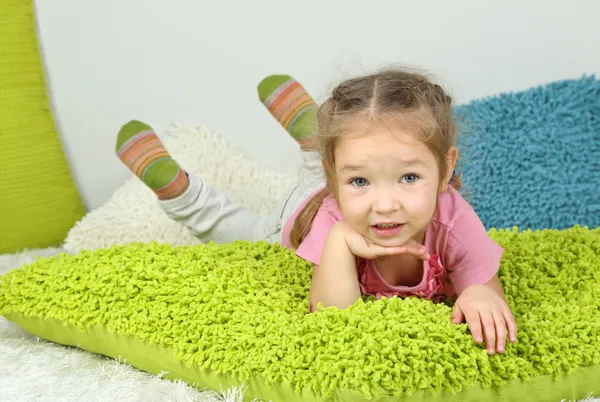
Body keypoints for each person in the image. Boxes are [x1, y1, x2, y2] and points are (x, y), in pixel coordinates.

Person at [114, 67, 517, 355]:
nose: (385, 204)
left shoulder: (453, 219)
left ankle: (317, 136)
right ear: (337, 180)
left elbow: (485, 288)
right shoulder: (332, 221)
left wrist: (480, 293)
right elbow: (331, 318)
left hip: (332, 186)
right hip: (294, 220)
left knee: (352, 160)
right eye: (361, 181)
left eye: (409, 178)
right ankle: (182, 192)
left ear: (446, 168)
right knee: (236, 230)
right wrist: (342, 239)